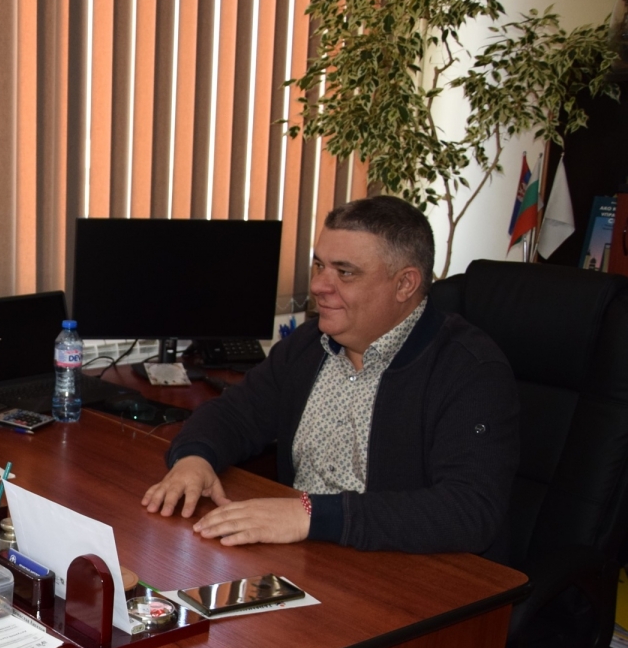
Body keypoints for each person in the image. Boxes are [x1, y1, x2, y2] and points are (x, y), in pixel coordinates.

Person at [141, 195, 519, 563]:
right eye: (319, 265)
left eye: (345, 272)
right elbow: (235, 414)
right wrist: (194, 457)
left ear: (405, 284)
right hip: (303, 558)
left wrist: (311, 515)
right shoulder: (309, 345)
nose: (319, 285)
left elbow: (469, 510)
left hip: (402, 570)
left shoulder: (469, 370)